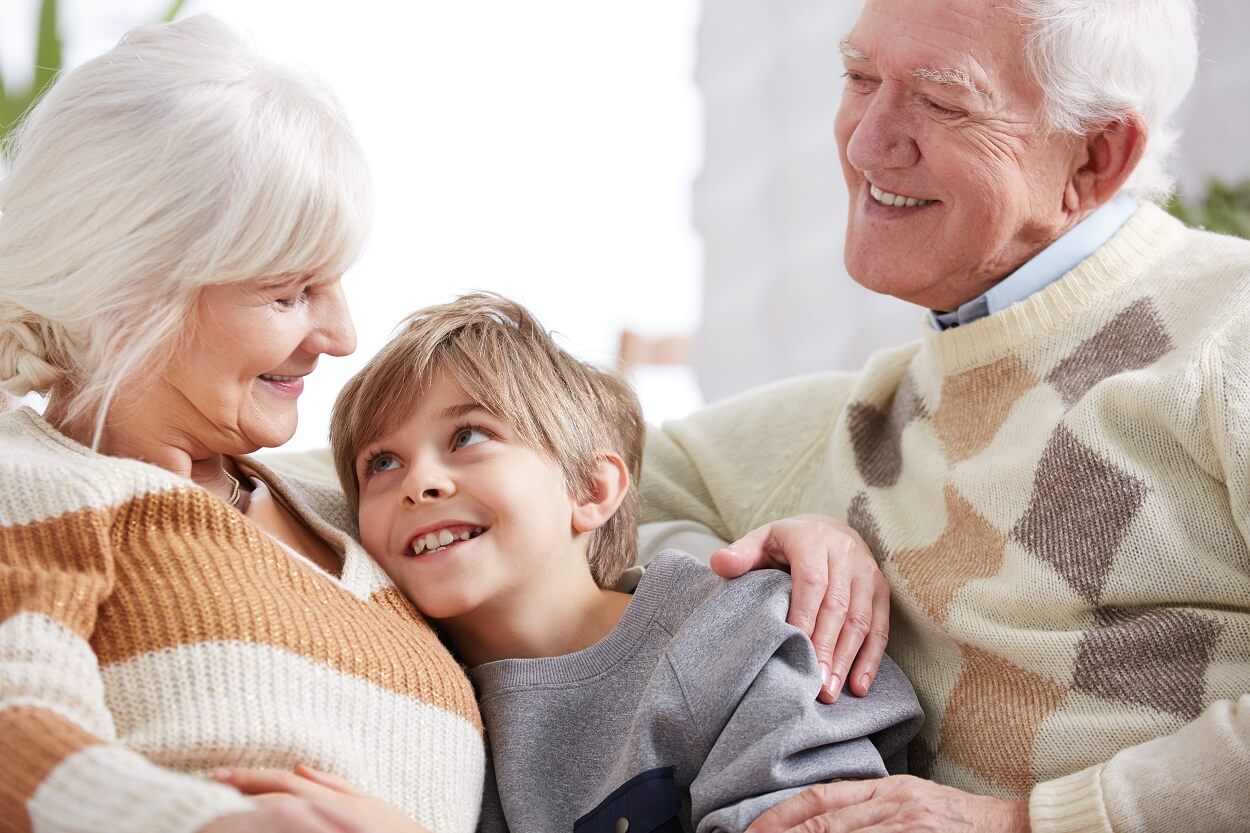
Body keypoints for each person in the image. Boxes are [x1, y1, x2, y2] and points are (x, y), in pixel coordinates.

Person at [640, 0, 1250, 831]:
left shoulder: (1231, 327)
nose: (864, 141)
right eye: (859, 77)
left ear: (1097, 156)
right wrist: (758, 570)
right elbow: (586, 490)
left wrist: (1030, 823)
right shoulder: (858, 418)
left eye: (942, 102)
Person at [0, 16, 484, 833]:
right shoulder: (36, 481)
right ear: (133, 293)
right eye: (291, 292)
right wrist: (205, 823)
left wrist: (771, 549)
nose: (341, 336)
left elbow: (607, 507)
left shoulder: (356, 500)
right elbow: (17, 725)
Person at [325, 293, 924, 833]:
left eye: (467, 437)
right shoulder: (411, 714)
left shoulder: (737, 635)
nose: (419, 482)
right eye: (381, 463)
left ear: (590, 489)